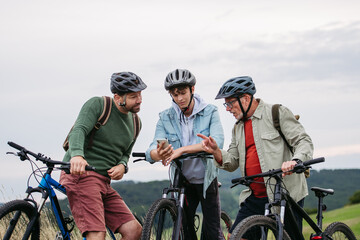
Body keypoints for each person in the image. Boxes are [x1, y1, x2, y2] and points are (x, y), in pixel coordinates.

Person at [198, 76, 314, 238]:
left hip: (285, 193)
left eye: (230, 103)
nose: (227, 109)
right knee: (235, 236)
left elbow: (303, 140)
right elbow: (232, 161)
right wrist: (216, 151)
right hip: (256, 195)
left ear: (246, 98)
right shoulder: (238, 128)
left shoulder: (276, 112)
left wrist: (295, 161)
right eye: (226, 104)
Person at [60, 72, 146, 240]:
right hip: (81, 175)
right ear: (117, 97)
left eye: (140, 94)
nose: (139, 100)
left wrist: (122, 165)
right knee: (97, 235)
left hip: (104, 182)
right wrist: (77, 155)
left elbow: (125, 153)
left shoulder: (136, 122)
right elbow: (79, 130)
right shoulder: (99, 105)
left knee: (134, 231)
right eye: (133, 96)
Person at [145, 69, 225, 240]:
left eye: (182, 92)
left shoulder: (210, 111)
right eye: (175, 94)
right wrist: (158, 153)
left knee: (212, 232)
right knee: (184, 232)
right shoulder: (166, 117)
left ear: (192, 89)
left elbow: (216, 142)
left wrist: (181, 150)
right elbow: (153, 147)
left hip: (206, 180)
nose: (179, 98)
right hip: (183, 181)